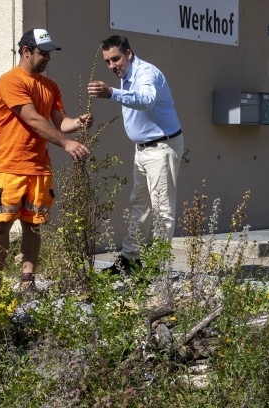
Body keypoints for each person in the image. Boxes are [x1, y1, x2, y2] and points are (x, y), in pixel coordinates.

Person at [0, 28, 93, 287]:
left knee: (33, 226)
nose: (48, 58)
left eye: (49, 54)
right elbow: (33, 118)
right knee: (2, 224)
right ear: (26, 51)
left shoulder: (51, 86)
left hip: (39, 168)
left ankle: (27, 280)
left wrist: (78, 122)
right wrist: (66, 144)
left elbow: (60, 122)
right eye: (42, 53)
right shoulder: (10, 80)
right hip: (10, 166)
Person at [87, 35, 184, 274]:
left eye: (116, 59)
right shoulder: (126, 75)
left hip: (161, 147)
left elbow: (147, 100)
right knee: (139, 205)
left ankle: (156, 267)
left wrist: (111, 93)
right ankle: (131, 259)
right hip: (143, 150)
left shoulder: (146, 73)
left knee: (162, 209)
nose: (112, 66)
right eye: (108, 62)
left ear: (129, 54)